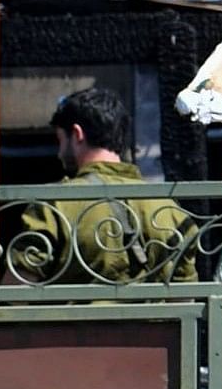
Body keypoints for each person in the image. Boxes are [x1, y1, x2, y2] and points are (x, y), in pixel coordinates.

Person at [12, 87, 192, 282]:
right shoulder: (168, 208)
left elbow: (18, 292)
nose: (59, 153)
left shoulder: (54, 205)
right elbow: (185, 298)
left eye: (61, 141)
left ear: (77, 133)